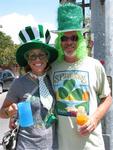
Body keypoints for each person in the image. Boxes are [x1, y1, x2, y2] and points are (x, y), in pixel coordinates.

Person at [50, 3, 112, 150]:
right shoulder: (52, 67)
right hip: (62, 145)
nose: (69, 42)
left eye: (73, 37)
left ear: (80, 39)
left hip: (91, 145)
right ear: (59, 41)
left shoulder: (94, 65)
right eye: (64, 38)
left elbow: (107, 97)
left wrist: (95, 119)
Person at [0, 25, 58, 150]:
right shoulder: (19, 83)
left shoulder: (53, 79)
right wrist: (9, 112)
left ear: (47, 57)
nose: (37, 59)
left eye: (41, 55)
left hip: (53, 146)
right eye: (32, 56)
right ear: (27, 59)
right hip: (26, 146)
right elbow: (2, 113)